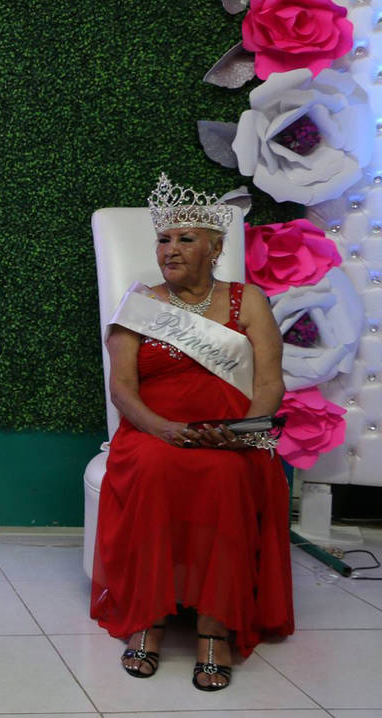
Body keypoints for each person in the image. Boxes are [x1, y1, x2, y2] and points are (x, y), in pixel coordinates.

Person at [91, 174, 294, 691]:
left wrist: (245, 431)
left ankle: (214, 629)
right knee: (155, 471)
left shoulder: (248, 301)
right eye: (164, 239)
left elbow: (269, 383)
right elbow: (123, 389)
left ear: (216, 248)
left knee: (226, 477)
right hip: (154, 432)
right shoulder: (140, 303)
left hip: (232, 435)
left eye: (186, 238)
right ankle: (148, 620)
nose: (171, 249)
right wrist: (164, 428)